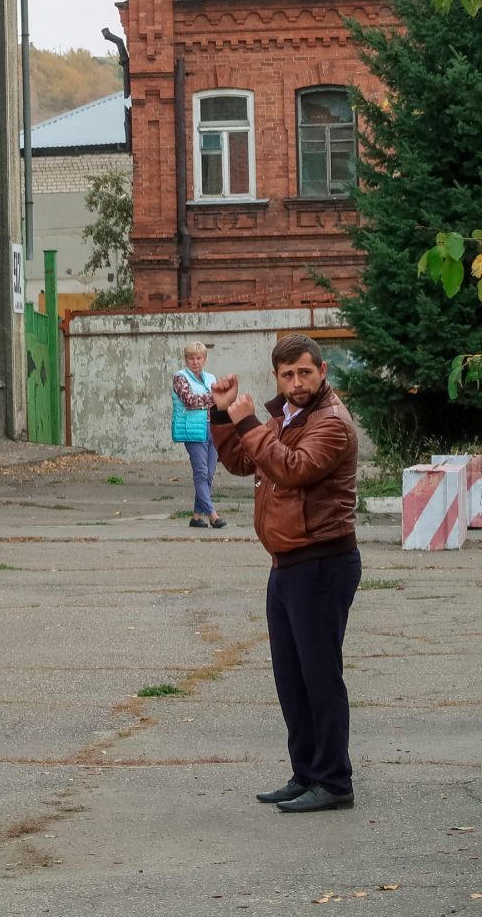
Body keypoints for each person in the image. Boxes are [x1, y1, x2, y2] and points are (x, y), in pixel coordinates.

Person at [210, 334, 361, 815]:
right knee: (291, 678)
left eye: (304, 372)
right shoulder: (285, 418)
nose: (296, 382)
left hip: (322, 560)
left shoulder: (331, 423)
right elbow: (241, 461)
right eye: (287, 374)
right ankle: (307, 774)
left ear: (322, 372)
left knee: (320, 677)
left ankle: (334, 780)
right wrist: (223, 413)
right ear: (276, 375)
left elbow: (292, 468)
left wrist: (249, 421)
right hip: (287, 561)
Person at [172, 342, 224, 529]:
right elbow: (190, 401)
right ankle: (212, 514)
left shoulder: (210, 377)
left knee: (209, 474)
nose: (195, 362)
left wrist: (217, 401)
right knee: (201, 473)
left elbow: (220, 403)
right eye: (191, 358)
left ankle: (196, 516)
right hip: (193, 430)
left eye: (198, 358)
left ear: (205, 359)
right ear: (186, 360)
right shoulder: (180, 377)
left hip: (213, 429)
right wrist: (216, 398)